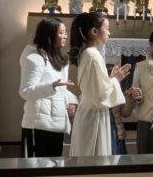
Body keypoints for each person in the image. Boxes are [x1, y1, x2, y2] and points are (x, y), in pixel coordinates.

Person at [68, 12, 131, 157]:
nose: (109, 32)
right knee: (94, 160)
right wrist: (116, 80)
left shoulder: (87, 53)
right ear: (94, 31)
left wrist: (111, 79)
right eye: (107, 28)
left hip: (88, 112)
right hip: (94, 115)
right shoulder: (93, 55)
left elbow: (95, 88)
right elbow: (101, 96)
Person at [19, 17, 78, 157]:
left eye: (66, 32)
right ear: (49, 35)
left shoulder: (59, 59)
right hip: (38, 125)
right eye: (61, 33)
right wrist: (52, 85)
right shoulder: (35, 58)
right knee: (36, 168)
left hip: (57, 124)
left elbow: (61, 88)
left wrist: (73, 101)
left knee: (54, 166)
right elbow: (25, 91)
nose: (66, 36)